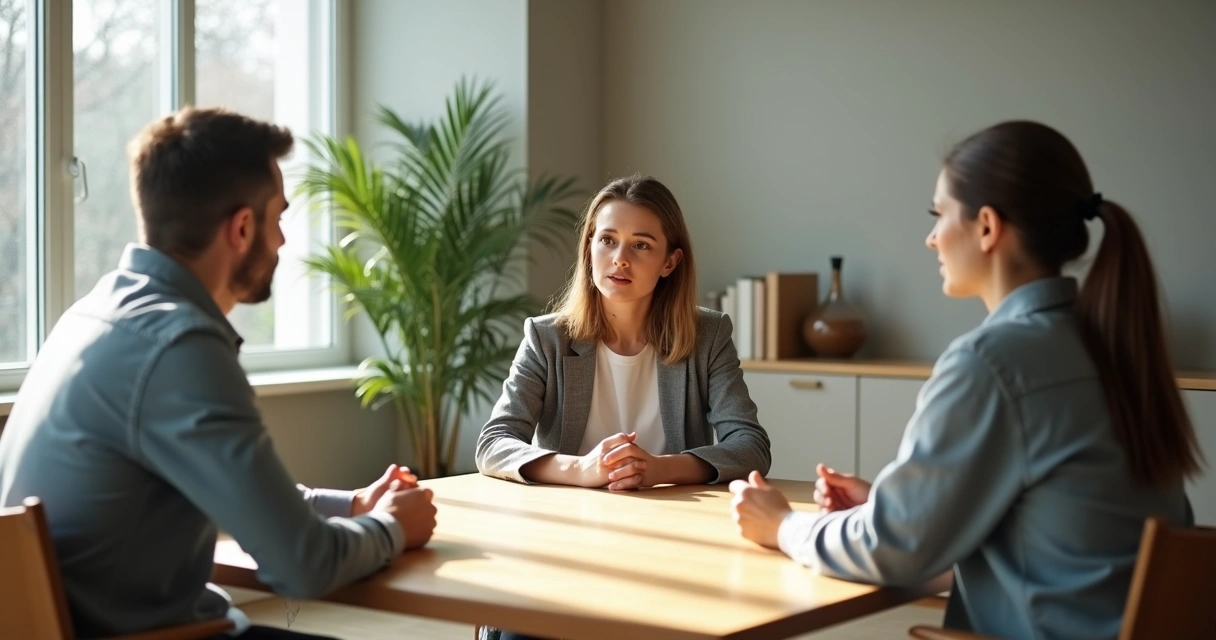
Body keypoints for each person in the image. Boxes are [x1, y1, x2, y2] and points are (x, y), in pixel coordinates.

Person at [729, 121, 1202, 640]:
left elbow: (895, 549)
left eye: (939, 215)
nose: (931, 238)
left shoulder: (993, 361)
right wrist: (895, 503)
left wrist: (783, 526)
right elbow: (1057, 532)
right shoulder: (1112, 348)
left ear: (986, 227)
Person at [0, 107, 438, 639]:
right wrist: (392, 526)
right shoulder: (178, 348)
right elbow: (303, 566)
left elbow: (236, 489)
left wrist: (350, 505)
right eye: (278, 218)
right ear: (242, 227)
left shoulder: (95, 316)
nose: (281, 241)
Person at [476, 174, 770, 494]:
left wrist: (657, 468)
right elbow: (494, 444)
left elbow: (751, 447)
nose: (620, 259)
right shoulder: (546, 338)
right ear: (589, 248)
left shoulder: (707, 336)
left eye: (641, 245)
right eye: (607, 240)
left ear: (670, 262)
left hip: (675, 514)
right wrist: (581, 468)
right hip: (570, 518)